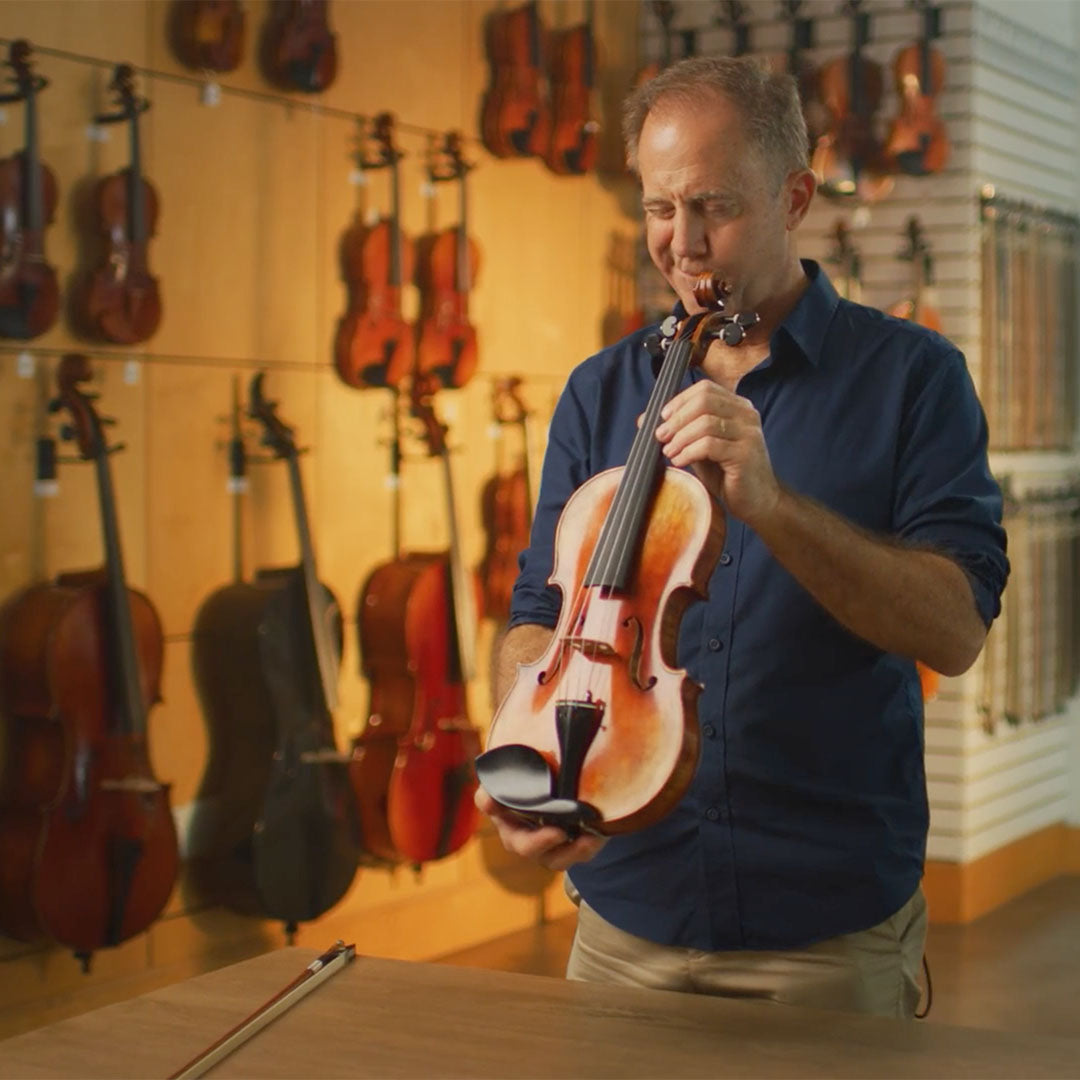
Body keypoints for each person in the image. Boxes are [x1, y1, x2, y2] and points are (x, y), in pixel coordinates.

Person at [476, 55, 1008, 1020]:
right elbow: (536, 621)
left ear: (794, 194)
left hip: (824, 939)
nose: (680, 245)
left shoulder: (915, 379)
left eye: (710, 207)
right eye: (656, 209)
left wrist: (771, 502)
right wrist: (530, 747)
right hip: (623, 921)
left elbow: (956, 630)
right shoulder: (601, 391)